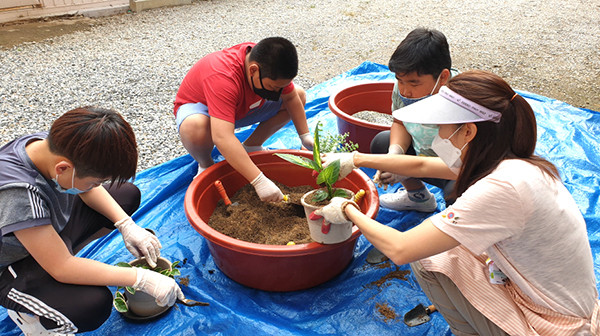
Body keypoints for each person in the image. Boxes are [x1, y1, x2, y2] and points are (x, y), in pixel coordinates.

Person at [319, 71, 599, 335]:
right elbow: (418, 164)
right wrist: (356, 159)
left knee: (427, 259)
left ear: (468, 132)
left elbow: (401, 249)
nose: (439, 136)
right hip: (563, 298)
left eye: (442, 127)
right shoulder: (511, 162)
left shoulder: (502, 189)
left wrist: (347, 209)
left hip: (555, 324)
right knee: (452, 249)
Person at [0, 107, 184, 335]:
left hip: (45, 232)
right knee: (91, 305)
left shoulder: (48, 146)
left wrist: (126, 224)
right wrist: (140, 278)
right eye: (95, 181)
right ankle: (37, 317)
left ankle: (59, 256)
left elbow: (87, 189)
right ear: (63, 168)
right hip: (13, 263)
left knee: (124, 196)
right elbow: (61, 267)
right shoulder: (18, 193)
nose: (97, 186)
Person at [173, 36, 314, 202]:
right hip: (205, 110)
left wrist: (305, 137)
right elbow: (222, 136)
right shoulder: (223, 76)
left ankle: (251, 146)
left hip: (239, 108)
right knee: (195, 127)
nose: (277, 92)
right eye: (272, 87)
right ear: (253, 70)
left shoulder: (269, 62)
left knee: (299, 95)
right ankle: (205, 164)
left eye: (280, 87)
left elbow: (291, 99)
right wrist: (259, 180)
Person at [370, 27, 459, 212]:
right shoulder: (403, 90)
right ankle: (418, 198)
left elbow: (463, 161)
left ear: (443, 77)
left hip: (456, 167)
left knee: (458, 192)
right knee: (382, 142)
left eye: (413, 83)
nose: (405, 90)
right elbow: (399, 122)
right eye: (400, 80)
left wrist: (406, 168)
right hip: (423, 157)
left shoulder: (461, 100)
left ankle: (458, 225)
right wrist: (395, 155)